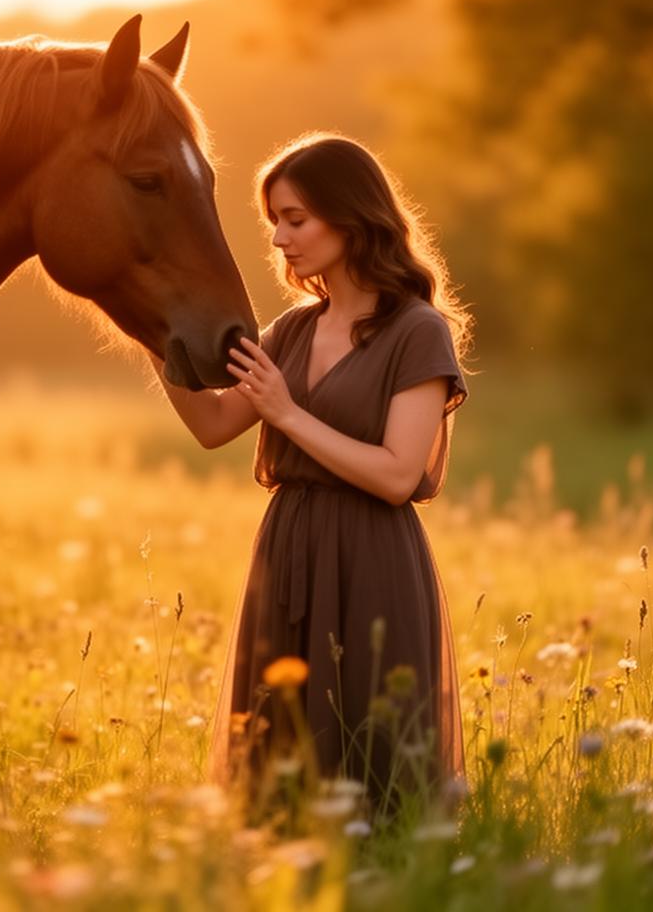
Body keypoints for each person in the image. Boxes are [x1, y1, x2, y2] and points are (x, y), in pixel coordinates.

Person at [149, 133, 471, 808]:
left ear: (349, 216)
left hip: (372, 559)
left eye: (295, 219)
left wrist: (288, 414)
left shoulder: (417, 331)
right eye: (275, 222)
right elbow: (213, 424)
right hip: (288, 549)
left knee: (371, 752)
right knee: (277, 757)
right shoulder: (291, 331)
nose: (279, 239)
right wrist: (151, 331)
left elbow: (396, 475)